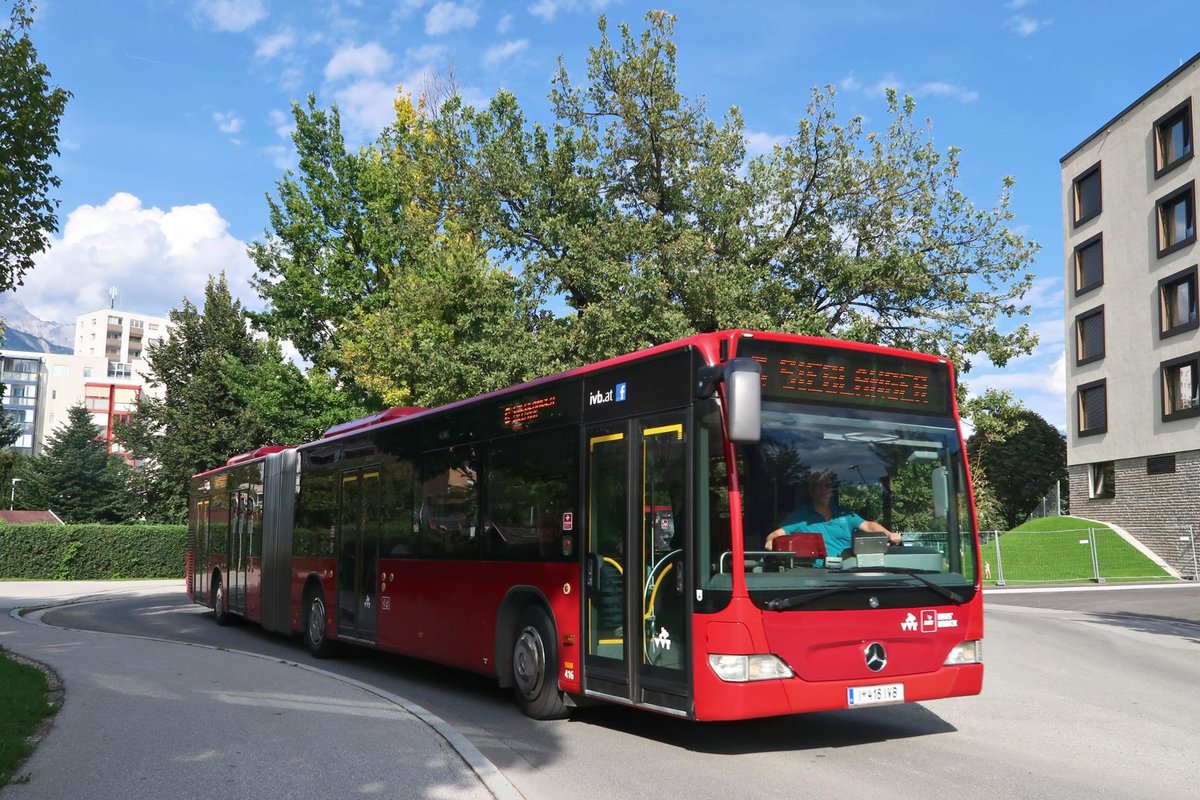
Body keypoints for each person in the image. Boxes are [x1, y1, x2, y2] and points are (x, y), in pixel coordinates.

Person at [764, 471, 901, 556]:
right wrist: (771, 541)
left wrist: (889, 535)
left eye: (828, 486)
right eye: (819, 486)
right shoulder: (800, 516)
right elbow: (776, 534)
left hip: (849, 568)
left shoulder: (843, 513)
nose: (824, 490)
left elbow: (869, 526)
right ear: (811, 490)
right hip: (817, 574)